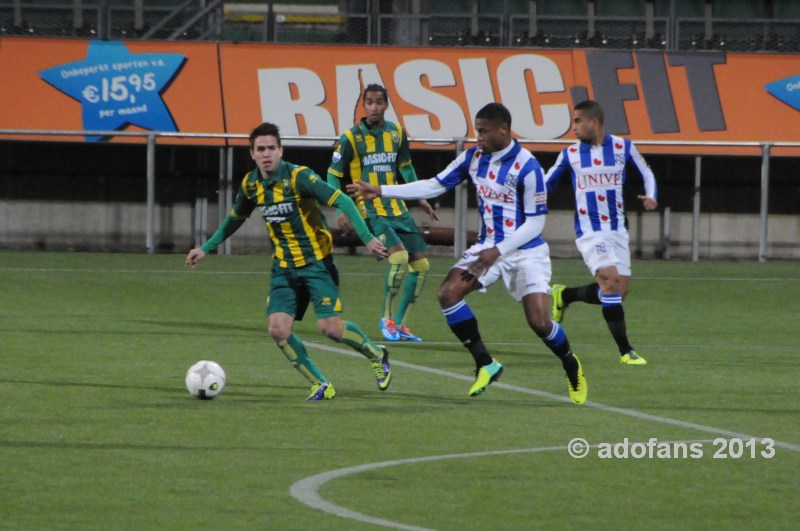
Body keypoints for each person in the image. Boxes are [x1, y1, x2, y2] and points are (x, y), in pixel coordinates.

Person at [349, 103, 587, 405]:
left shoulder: (528, 167)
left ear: (503, 129)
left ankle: (570, 363)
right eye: (477, 130)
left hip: (525, 251)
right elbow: (435, 184)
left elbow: (536, 222)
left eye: (484, 131)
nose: (479, 137)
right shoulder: (473, 157)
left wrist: (497, 251)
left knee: (540, 322)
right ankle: (485, 363)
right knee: (448, 293)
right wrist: (382, 190)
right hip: (487, 247)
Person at [185, 122, 392, 401]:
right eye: (261, 149)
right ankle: (321, 384)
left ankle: (377, 354)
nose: (267, 153)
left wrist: (366, 237)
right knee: (277, 329)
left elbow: (342, 200)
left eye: (272, 148)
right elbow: (235, 219)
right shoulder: (251, 184)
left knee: (329, 328)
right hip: (283, 268)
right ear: (252, 154)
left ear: (281, 150)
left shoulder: (299, 177)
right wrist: (206, 247)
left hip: (317, 265)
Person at [545, 100, 658, 366]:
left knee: (618, 292)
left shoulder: (623, 147)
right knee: (610, 282)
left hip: (617, 229)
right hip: (590, 232)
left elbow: (647, 173)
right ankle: (625, 351)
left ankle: (565, 295)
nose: (573, 127)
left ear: (593, 121)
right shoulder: (569, 154)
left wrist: (651, 196)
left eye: (577, 121)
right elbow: (546, 183)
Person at [327, 83, 438, 343]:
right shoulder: (350, 138)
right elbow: (332, 176)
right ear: (363, 106)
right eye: (369, 102)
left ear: (386, 105)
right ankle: (385, 319)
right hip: (369, 210)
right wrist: (342, 207)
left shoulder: (397, 133)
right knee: (398, 258)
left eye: (379, 102)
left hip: (397, 207)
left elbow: (406, 168)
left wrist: (420, 196)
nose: (374, 107)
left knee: (421, 265)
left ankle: (400, 325)